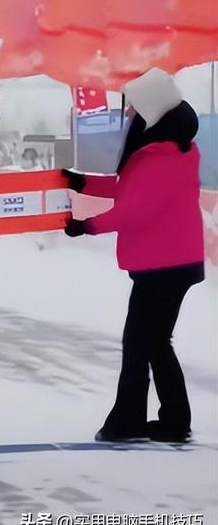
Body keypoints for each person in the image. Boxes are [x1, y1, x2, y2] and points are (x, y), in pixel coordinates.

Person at [63, 68, 205, 443]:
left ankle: (127, 422)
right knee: (155, 341)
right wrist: (83, 182)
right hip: (170, 263)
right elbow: (129, 190)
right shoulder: (168, 151)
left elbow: (133, 211)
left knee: (139, 342)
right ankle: (174, 421)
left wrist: (86, 225)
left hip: (165, 266)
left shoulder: (161, 157)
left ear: (153, 112)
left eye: (134, 108)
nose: (129, 115)